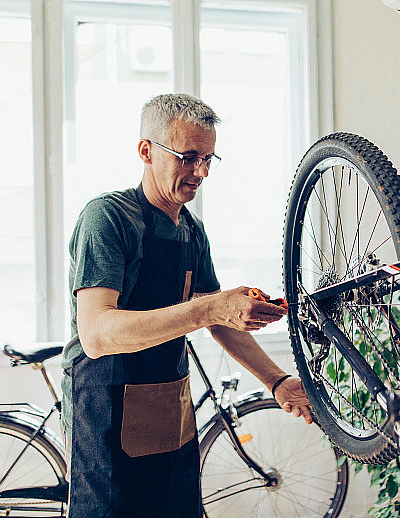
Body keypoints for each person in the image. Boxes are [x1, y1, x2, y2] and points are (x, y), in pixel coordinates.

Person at [60, 93, 312, 517]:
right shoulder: (108, 218)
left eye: (210, 159)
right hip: (106, 409)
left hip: (170, 407)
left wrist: (277, 381)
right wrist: (209, 309)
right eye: (188, 157)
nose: (201, 172)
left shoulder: (192, 231)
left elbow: (220, 322)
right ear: (146, 151)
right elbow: (98, 334)